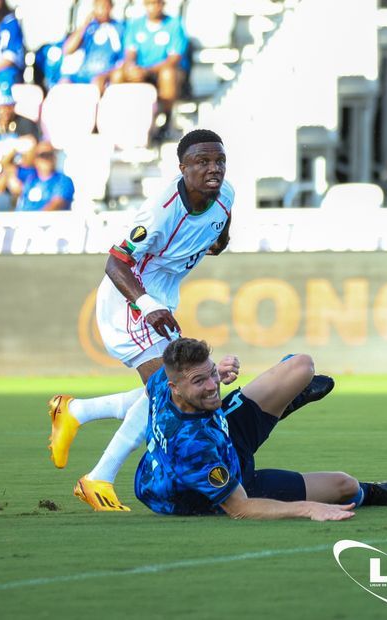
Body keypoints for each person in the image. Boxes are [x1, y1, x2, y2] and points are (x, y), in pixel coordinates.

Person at [46, 129, 235, 511]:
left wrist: (211, 244)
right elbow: (116, 261)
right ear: (182, 168)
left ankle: (75, 411)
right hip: (130, 300)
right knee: (166, 394)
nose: (213, 169)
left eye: (218, 161)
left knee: (165, 390)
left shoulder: (226, 194)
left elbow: (219, 236)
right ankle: (98, 478)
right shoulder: (161, 211)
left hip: (163, 297)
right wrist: (146, 303)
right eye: (202, 162)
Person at [133, 338, 387, 517]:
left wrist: (210, 377)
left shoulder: (161, 381)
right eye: (200, 381)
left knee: (301, 366)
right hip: (216, 487)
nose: (214, 385)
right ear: (175, 388)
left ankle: (281, 405)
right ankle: (374, 492)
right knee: (345, 485)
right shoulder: (192, 446)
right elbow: (240, 508)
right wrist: (309, 509)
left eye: (212, 373)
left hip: (220, 434)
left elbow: (172, 374)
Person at [110, 0, 187, 141]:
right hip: (142, 71)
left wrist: (147, 71)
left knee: (168, 74)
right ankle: (117, 118)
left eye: (156, 3)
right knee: (118, 74)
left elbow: (173, 59)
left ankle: (166, 119)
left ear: (162, 4)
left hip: (162, 71)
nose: (153, 7)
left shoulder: (174, 24)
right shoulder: (135, 24)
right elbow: (129, 54)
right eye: (149, 3)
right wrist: (132, 68)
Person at [60, 0, 125, 93]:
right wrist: (85, 24)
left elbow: (124, 59)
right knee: (63, 83)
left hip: (104, 76)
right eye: (98, 7)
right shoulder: (89, 28)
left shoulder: (120, 27)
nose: (102, 10)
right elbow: (67, 50)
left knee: (96, 85)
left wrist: (107, 74)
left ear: (111, 7)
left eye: (105, 6)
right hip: (83, 75)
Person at [10, 141, 75, 211]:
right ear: (35, 159)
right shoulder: (30, 177)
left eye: (50, 154)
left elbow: (56, 204)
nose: (47, 158)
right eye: (43, 155)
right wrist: (13, 150)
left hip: (46, 220)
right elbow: (8, 169)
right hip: (22, 219)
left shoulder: (63, 181)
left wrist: (34, 219)